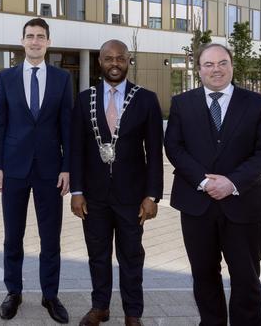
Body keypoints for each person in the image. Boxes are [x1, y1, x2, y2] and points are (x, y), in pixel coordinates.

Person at [164, 43, 261, 325]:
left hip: (243, 204)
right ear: (199, 69)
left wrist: (232, 182)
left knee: (246, 277)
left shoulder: (257, 104)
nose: (216, 69)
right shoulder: (182, 103)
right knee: (203, 275)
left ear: (231, 66)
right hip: (197, 205)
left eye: (222, 63)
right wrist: (204, 181)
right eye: (209, 64)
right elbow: (174, 147)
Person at [69, 40, 163, 326]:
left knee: (131, 257)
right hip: (93, 197)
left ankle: (133, 313)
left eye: (120, 58)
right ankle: (100, 307)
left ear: (128, 60)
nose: (114, 63)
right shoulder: (85, 99)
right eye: (108, 58)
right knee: (97, 255)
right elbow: (76, 149)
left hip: (132, 197)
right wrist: (77, 191)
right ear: (100, 61)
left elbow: (154, 152)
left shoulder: (146, 99)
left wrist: (152, 195)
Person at [0, 18, 73, 323]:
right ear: (22, 41)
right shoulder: (7, 77)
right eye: (30, 36)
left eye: (41, 37)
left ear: (48, 42)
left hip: (51, 170)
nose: (35, 41)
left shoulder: (62, 78)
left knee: (50, 238)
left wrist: (67, 167)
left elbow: (67, 126)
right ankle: (14, 292)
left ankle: (50, 296)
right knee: (13, 236)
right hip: (13, 168)